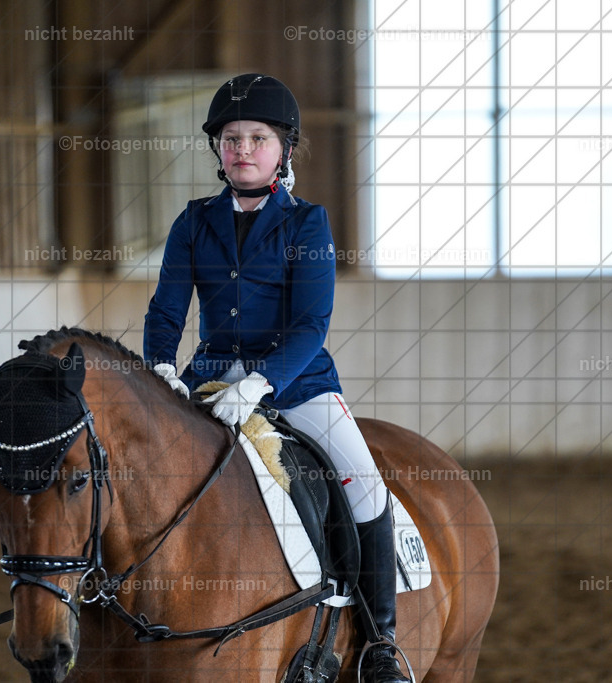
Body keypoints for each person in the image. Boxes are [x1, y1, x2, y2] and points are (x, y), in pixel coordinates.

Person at [143, 74, 410, 683]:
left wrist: (259, 382)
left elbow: (312, 324)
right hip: (207, 380)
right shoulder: (192, 222)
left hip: (297, 383)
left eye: (256, 138)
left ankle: (380, 643)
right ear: (217, 148)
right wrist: (161, 367)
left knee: (365, 485)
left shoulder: (307, 223)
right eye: (231, 138)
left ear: (282, 148)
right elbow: (166, 310)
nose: (242, 148)